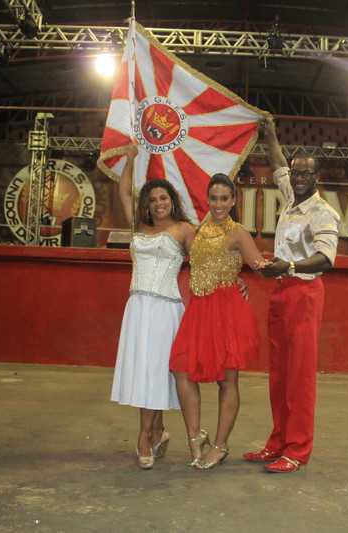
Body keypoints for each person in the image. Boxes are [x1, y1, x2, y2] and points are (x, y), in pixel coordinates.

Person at [243, 117, 341, 474]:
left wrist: (288, 266)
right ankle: (278, 442)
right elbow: (278, 163)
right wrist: (269, 134)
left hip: (304, 292)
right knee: (279, 374)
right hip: (281, 292)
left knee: (299, 375)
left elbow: (325, 258)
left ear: (316, 177)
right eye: (296, 173)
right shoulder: (289, 197)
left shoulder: (323, 213)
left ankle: (297, 450)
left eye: (305, 173)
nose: (297, 177)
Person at [170, 173, 267, 469]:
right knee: (181, 369)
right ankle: (195, 436)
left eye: (225, 198)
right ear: (208, 199)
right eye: (214, 198)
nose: (219, 204)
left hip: (226, 312)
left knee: (227, 379)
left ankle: (221, 445)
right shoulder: (200, 228)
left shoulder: (238, 232)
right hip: (199, 310)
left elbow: (258, 264)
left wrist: (291, 264)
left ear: (234, 200)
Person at [107, 145, 195, 470]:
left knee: (157, 371)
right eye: (153, 199)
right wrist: (130, 158)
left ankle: (144, 435)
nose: (158, 204)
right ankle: (157, 429)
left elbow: (206, 262)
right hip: (137, 307)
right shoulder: (138, 228)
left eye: (163, 198)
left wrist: (234, 278)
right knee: (145, 370)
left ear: (172, 200)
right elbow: (123, 192)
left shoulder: (184, 230)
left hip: (167, 308)